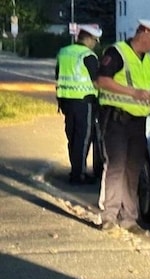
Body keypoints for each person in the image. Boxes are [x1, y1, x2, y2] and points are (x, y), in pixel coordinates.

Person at [97, 19, 150, 235]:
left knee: (133, 170)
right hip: (116, 119)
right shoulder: (118, 52)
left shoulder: (147, 61)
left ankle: (129, 218)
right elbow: (102, 80)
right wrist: (133, 93)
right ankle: (109, 216)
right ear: (144, 33)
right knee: (116, 167)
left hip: (138, 122)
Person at [55, 25, 103, 185]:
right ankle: (78, 174)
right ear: (88, 39)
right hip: (84, 102)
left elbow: (58, 75)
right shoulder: (88, 55)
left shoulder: (63, 52)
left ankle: (76, 170)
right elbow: (97, 82)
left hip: (66, 102)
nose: (95, 44)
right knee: (83, 138)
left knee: (73, 137)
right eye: (95, 40)